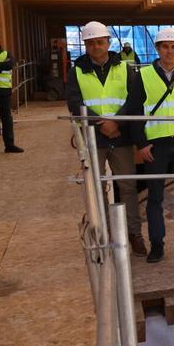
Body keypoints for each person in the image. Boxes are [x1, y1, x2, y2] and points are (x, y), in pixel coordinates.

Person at [66, 20, 146, 256]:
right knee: (96, 188)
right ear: (85, 45)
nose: (96, 47)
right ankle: (105, 235)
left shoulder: (124, 68)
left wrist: (116, 122)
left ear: (108, 43)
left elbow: (134, 99)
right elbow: (74, 103)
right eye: (90, 43)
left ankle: (134, 234)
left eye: (100, 42)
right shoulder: (77, 71)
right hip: (94, 137)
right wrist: (102, 125)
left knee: (128, 186)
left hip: (120, 136)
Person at [127, 28, 174, 262]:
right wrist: (141, 143)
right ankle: (157, 244)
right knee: (155, 198)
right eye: (165, 46)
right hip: (156, 146)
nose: (169, 51)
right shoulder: (144, 75)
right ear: (158, 49)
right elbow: (134, 110)